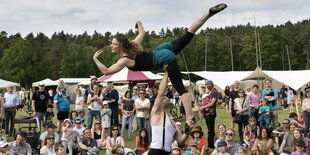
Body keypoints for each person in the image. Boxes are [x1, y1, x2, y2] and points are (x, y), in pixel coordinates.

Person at [93, 4, 227, 126]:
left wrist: (95, 59)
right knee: (188, 34)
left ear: (121, 46)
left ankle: (189, 116)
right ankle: (209, 13)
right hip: (161, 50)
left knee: (180, 89)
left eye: (114, 44)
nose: (112, 45)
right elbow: (142, 32)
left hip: (163, 57)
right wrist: (138, 23)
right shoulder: (133, 45)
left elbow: (106, 71)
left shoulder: (124, 60)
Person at [148, 65, 191, 154]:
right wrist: (166, 73)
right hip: (155, 152)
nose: (167, 98)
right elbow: (160, 92)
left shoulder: (174, 123)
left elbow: (180, 141)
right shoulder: (156, 113)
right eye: (164, 98)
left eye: (167, 97)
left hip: (167, 152)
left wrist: (188, 131)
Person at [199, 80, 218, 148]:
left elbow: (212, 103)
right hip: (207, 114)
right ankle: (210, 143)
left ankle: (211, 145)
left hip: (211, 114)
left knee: (211, 130)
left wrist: (203, 107)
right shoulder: (209, 92)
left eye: (209, 84)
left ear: (212, 84)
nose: (207, 86)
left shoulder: (214, 92)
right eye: (206, 85)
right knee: (210, 130)